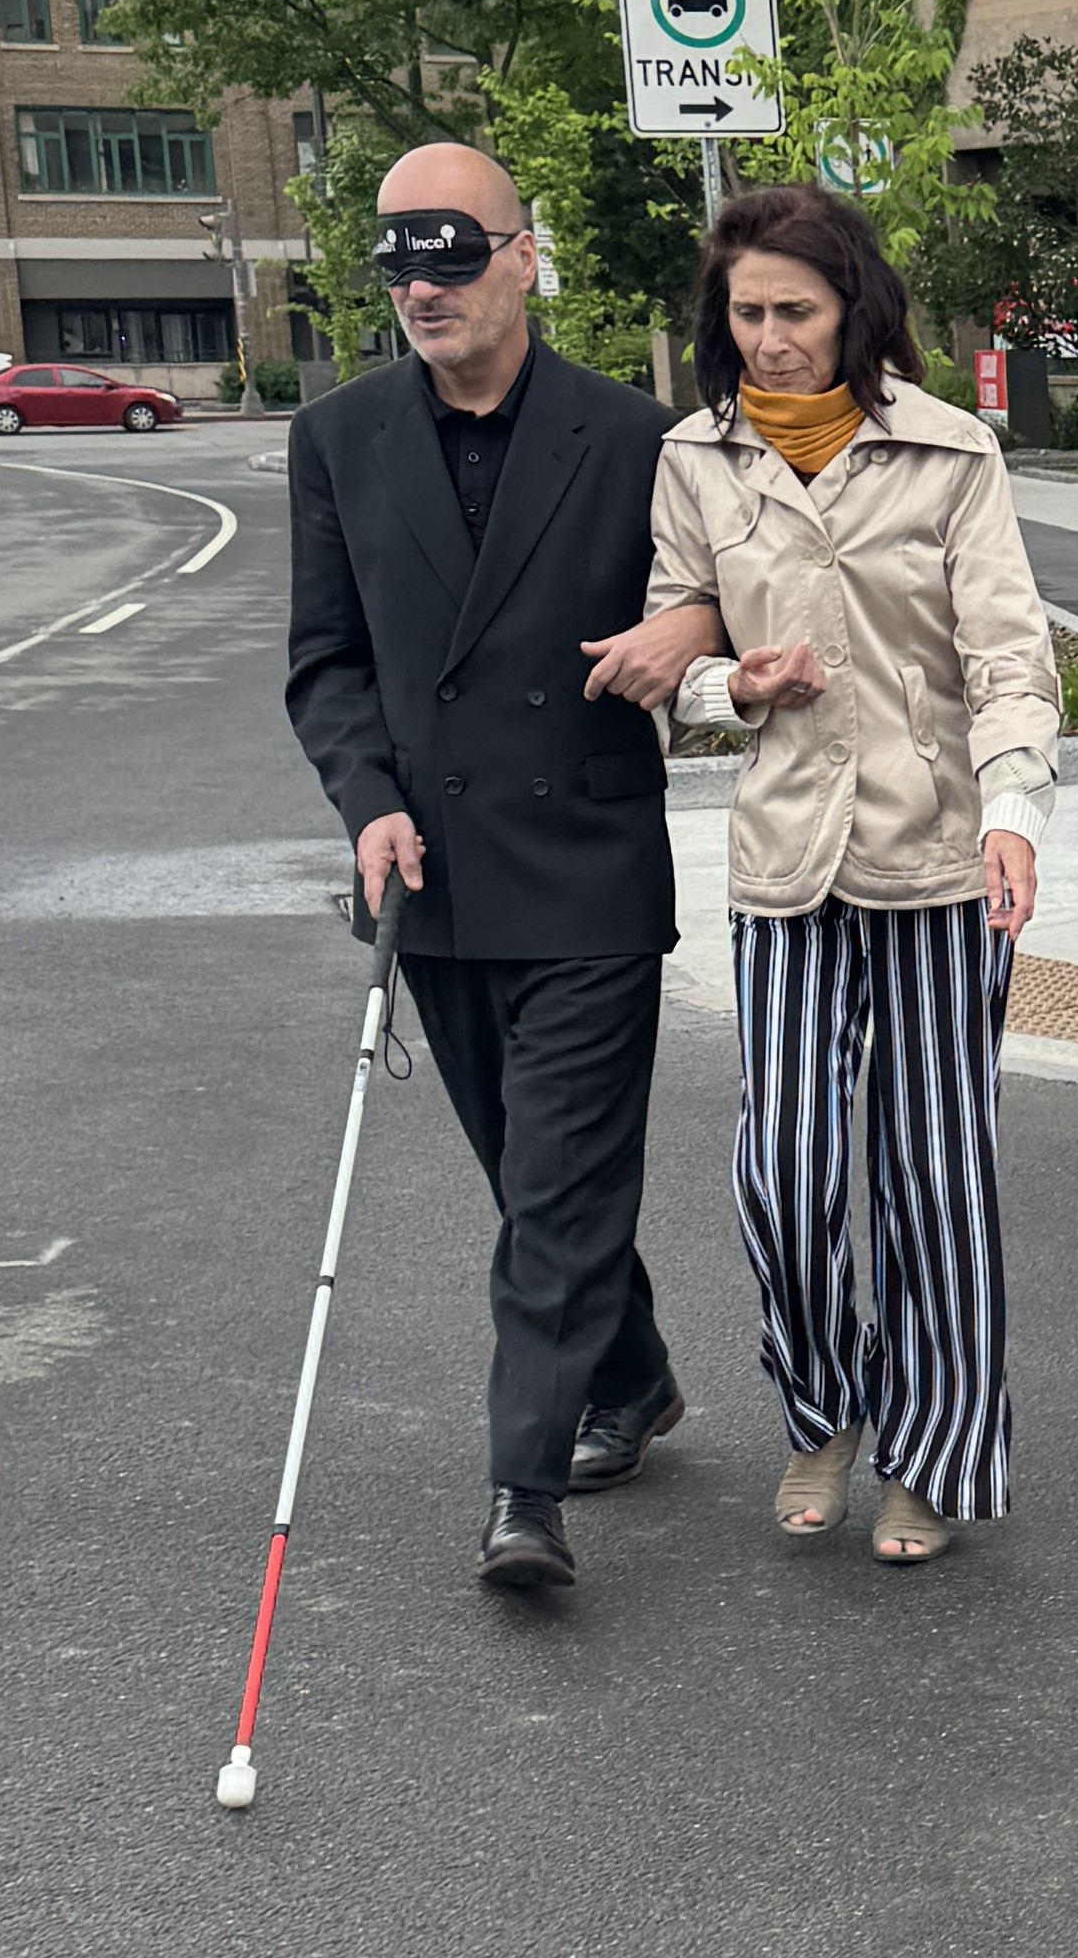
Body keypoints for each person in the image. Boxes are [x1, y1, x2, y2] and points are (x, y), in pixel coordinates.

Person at [283, 141, 724, 1591]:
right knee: (532, 1176)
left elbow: (733, 587)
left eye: (451, 253)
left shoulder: (635, 434)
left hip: (587, 859)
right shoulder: (339, 438)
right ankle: (635, 1375)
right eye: (397, 259)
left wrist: (698, 627)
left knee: (555, 1185)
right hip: (434, 870)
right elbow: (327, 662)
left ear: (523, 258)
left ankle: (521, 1490)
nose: (422, 285)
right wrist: (363, 800)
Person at [648, 186, 1059, 1567]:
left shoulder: (949, 454)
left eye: (795, 313)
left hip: (935, 854)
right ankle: (823, 1405)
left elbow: (1006, 654)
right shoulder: (696, 459)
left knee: (934, 1175)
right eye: (748, 314)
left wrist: (1013, 811)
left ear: (853, 312)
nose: (768, 339)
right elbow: (672, 653)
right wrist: (727, 679)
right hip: (783, 863)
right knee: (789, 1170)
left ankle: (933, 1453)